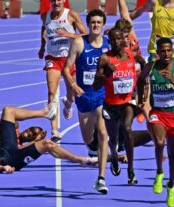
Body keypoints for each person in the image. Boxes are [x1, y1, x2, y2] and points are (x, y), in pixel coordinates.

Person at [0, 106, 97, 173]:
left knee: (8, 111)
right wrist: (3, 168)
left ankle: (44, 112)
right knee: (47, 144)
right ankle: (80, 160)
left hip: (3, 149)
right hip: (10, 160)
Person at [138, 37, 174, 207]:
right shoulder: (151, 67)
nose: (166, 54)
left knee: (173, 155)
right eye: (163, 51)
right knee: (160, 142)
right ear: (158, 52)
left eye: (169, 50)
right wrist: (142, 97)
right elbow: (140, 80)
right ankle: (159, 172)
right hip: (158, 114)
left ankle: (170, 185)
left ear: (173, 50)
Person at [62, 9, 109, 194]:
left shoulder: (107, 44)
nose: (96, 25)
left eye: (99, 22)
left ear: (103, 25)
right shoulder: (79, 42)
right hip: (83, 97)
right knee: (88, 138)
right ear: (88, 24)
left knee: (104, 134)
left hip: (101, 95)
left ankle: (101, 178)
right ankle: (93, 147)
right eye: (93, 22)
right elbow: (66, 68)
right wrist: (73, 85)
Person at [93, 27, 145, 184]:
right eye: (113, 40)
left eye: (119, 39)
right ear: (109, 41)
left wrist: (142, 84)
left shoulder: (131, 55)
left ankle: (131, 171)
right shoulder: (104, 59)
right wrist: (106, 74)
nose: (116, 42)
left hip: (127, 103)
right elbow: (95, 86)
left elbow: (144, 63)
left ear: (124, 40)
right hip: (110, 105)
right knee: (113, 139)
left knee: (128, 129)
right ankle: (114, 156)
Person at [38, 0, 87, 142]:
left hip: (69, 59)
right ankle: (54, 131)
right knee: (52, 93)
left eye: (59, 0)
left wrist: (69, 34)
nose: (56, 2)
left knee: (72, 94)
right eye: (53, 0)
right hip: (53, 58)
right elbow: (43, 29)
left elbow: (85, 34)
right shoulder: (45, 16)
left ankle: (68, 103)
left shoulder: (71, 15)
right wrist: (42, 47)